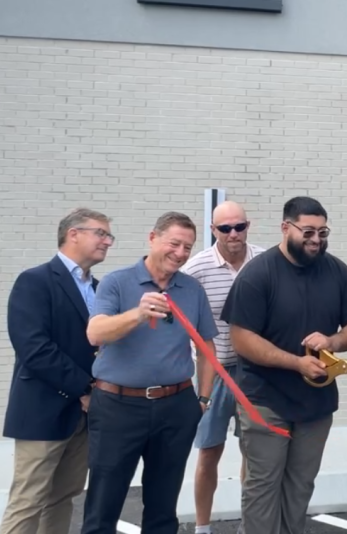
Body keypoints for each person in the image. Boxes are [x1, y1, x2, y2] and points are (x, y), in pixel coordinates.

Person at [221, 196, 347, 534]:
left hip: (316, 403)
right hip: (265, 402)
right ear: (285, 227)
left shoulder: (337, 271)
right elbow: (242, 339)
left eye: (323, 231)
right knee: (263, 487)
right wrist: (296, 363)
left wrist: (334, 342)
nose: (316, 239)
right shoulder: (258, 274)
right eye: (308, 231)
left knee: (300, 485)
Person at [82, 212, 218, 534]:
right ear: (152, 238)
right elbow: (95, 333)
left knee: (163, 504)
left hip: (176, 405)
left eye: (188, 247)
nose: (181, 253)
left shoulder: (192, 289)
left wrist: (202, 399)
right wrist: (139, 314)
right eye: (174, 243)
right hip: (118, 406)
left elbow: (207, 348)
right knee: (104, 502)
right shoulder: (118, 282)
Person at [1, 209, 113, 534]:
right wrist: (85, 388)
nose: (107, 242)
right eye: (100, 234)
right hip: (44, 411)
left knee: (63, 498)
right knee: (28, 501)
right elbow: (34, 348)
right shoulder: (34, 281)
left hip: (84, 418)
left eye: (109, 236)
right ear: (73, 234)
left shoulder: (99, 287)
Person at [181, 201, 265, 534]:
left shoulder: (264, 261)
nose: (233, 234)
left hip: (254, 371)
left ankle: (250, 524)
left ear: (248, 225)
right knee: (209, 452)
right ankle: (203, 527)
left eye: (239, 227)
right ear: (213, 230)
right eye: (225, 228)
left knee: (254, 452)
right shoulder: (196, 268)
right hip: (213, 374)